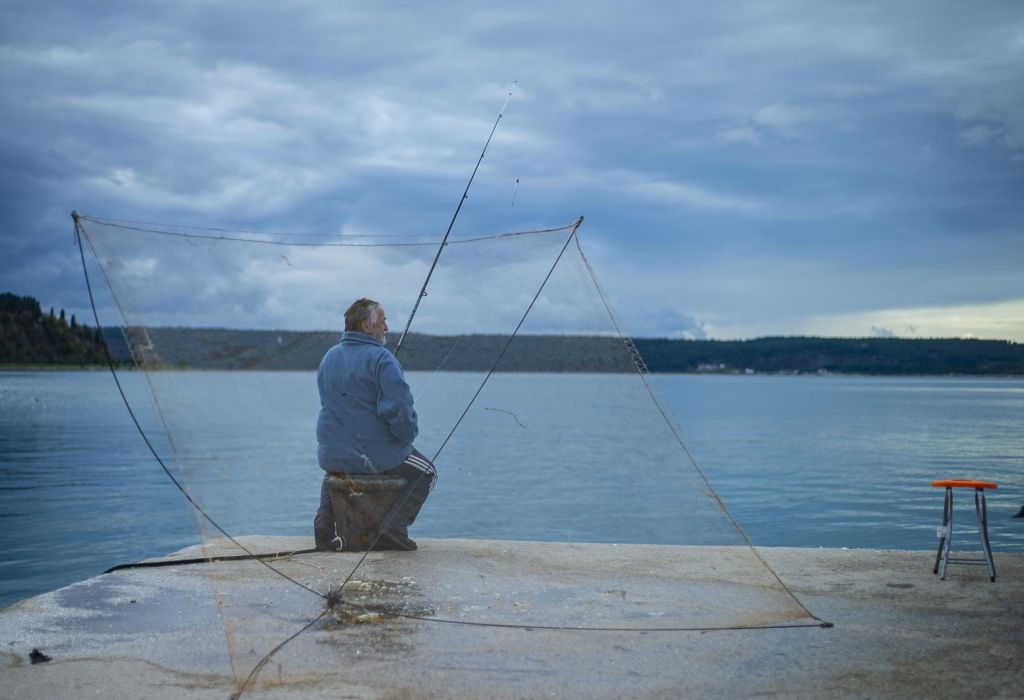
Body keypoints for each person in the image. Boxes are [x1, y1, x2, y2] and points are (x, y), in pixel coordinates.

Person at [313, 298, 436, 551]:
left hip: (333, 455)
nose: (387, 328)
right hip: (374, 456)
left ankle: (324, 521)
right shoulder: (383, 360)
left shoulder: (329, 357)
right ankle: (392, 528)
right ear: (366, 327)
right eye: (383, 322)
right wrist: (407, 436)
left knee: (335, 469)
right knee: (427, 472)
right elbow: (400, 414)